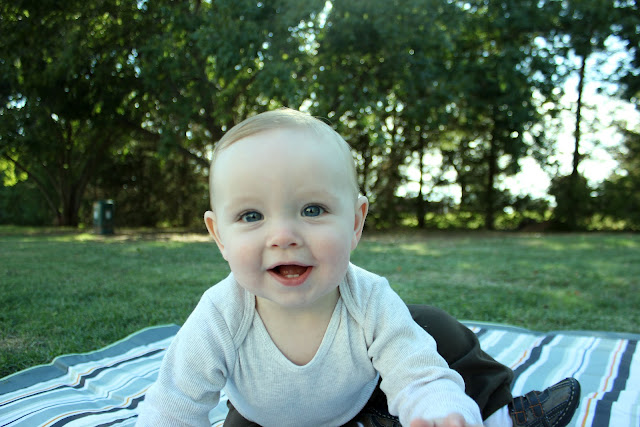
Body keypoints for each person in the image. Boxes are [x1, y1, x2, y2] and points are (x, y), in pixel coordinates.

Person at [137, 108, 580, 427]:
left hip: (357, 402)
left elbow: (417, 372)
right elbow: (175, 403)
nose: (283, 235)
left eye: (312, 209)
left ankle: (495, 413)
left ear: (354, 222)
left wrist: (439, 408)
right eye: (251, 216)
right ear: (220, 236)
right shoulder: (219, 314)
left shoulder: (368, 299)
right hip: (261, 418)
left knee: (433, 327)